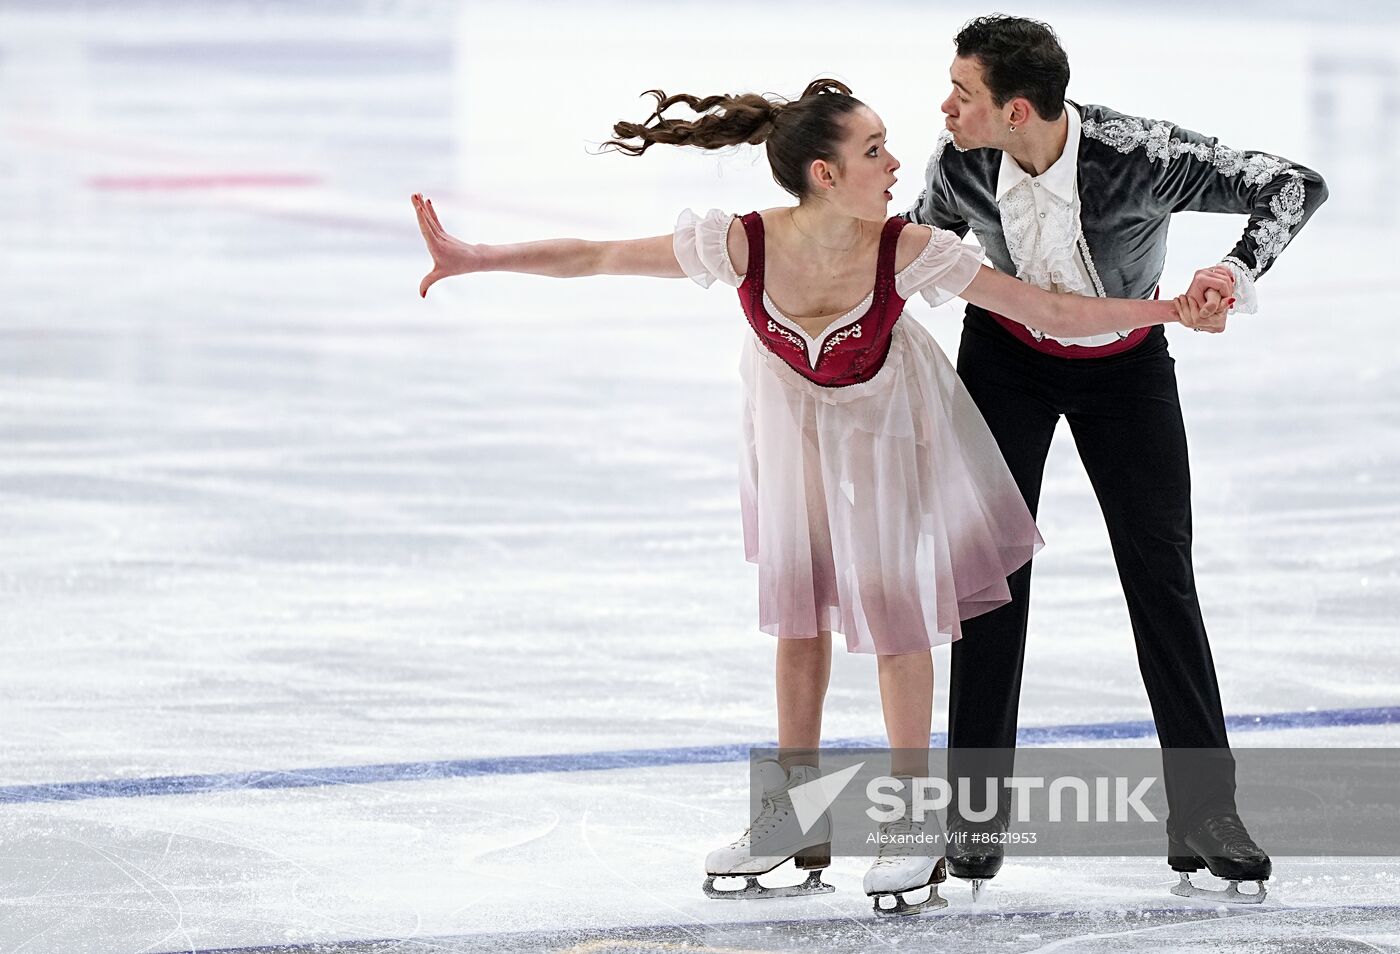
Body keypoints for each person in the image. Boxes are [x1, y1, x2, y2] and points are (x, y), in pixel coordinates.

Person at [412, 79, 1230, 916]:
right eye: (874, 150)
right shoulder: (742, 244)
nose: (897, 162)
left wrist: (1169, 309)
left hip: (890, 427)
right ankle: (787, 819)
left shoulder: (906, 247)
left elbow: (1048, 307)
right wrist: (475, 257)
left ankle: (913, 828)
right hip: (790, 422)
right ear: (823, 175)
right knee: (798, 616)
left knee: (893, 616)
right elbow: (596, 255)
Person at [903, 15, 1327, 904]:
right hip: (1004, 361)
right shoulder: (959, 165)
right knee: (989, 578)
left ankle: (1204, 813)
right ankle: (974, 819)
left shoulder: (1142, 155)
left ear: (1017, 110)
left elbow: (1295, 185)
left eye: (963, 92)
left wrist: (1232, 272)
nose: (946, 106)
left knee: (1160, 572)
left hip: (1125, 369)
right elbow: (908, 245)